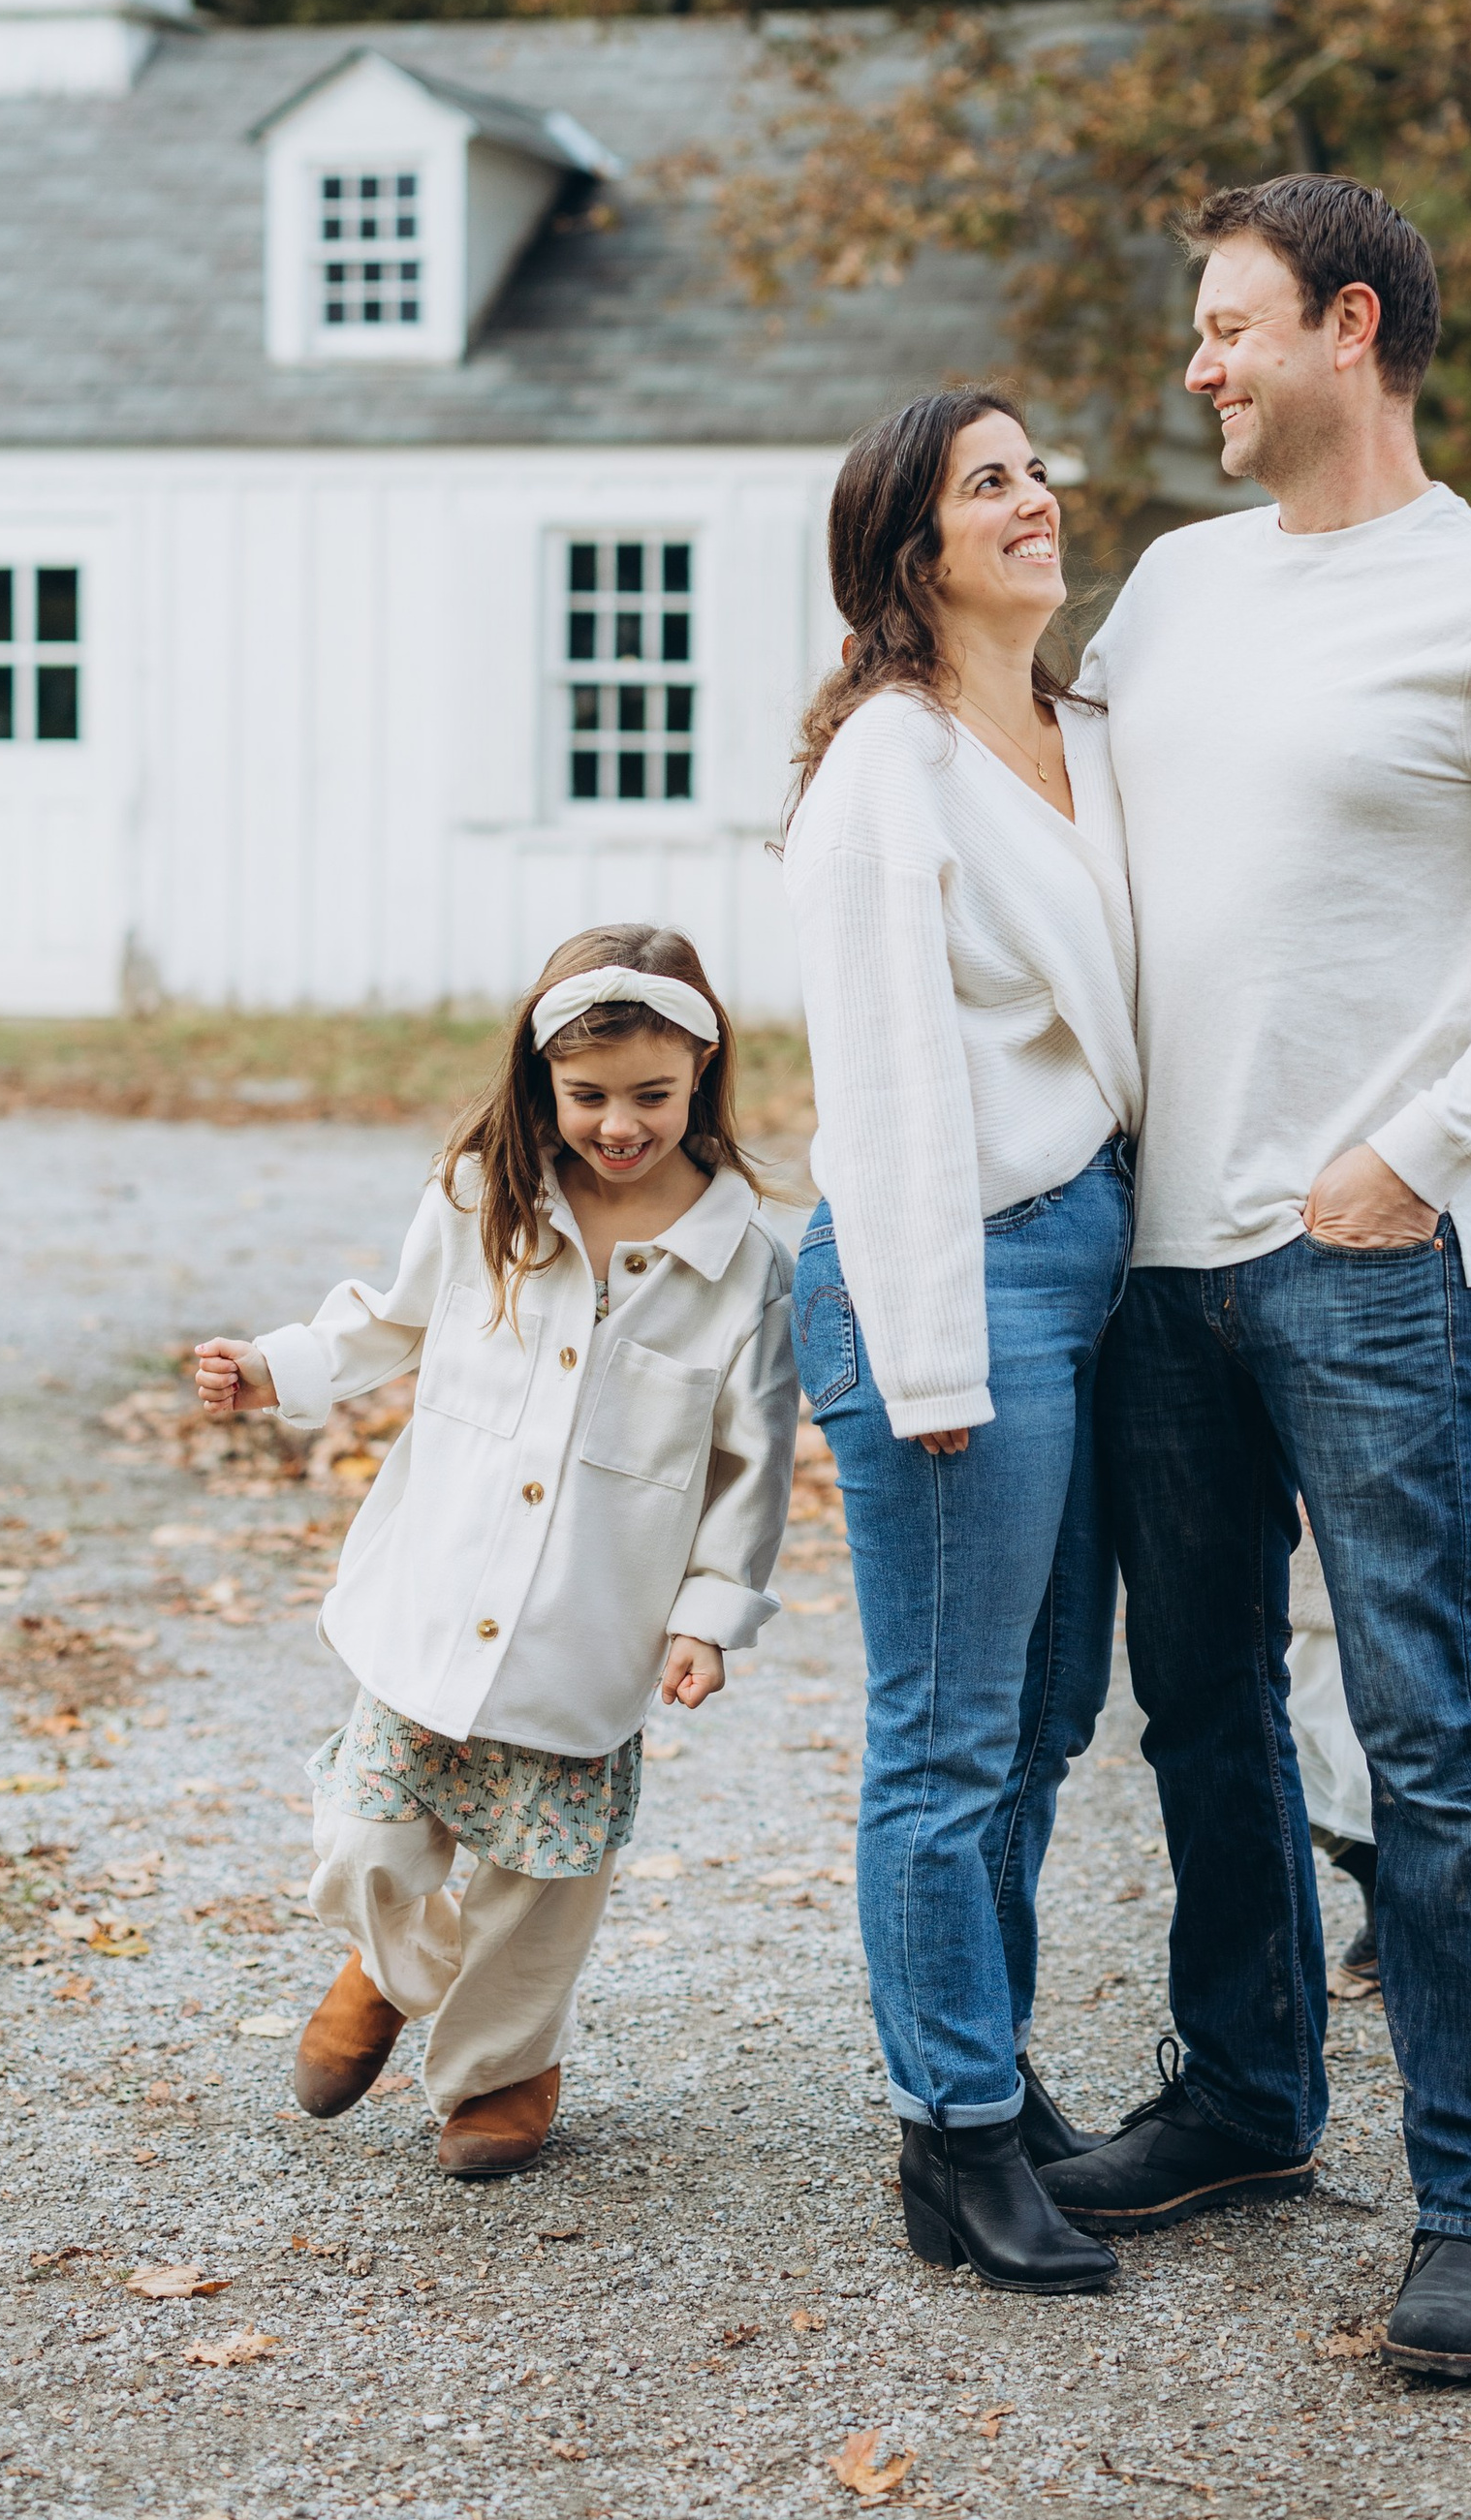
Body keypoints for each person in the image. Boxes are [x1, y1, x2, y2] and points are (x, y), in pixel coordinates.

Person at [1040, 175, 1471, 2383]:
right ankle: (1241, 2101)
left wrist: (1410, 1155)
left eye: (1222, 331)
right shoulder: (1172, 586)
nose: (1192, 370)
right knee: (1198, 1705)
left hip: (1369, 1264)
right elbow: (1057, 841)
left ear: (1344, 325)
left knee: (1431, 1732)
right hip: (1153, 1256)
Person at [193, 923, 798, 2182]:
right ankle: (390, 1965)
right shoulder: (487, 1195)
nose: (618, 1123)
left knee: (540, 1878)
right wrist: (276, 1370)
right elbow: (390, 1319)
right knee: (364, 1841)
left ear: (703, 1074)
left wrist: (708, 1613)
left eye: (651, 1094)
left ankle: (501, 2069)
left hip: (591, 1620)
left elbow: (750, 1457)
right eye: (587, 1095)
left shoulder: (740, 1263)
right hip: (437, 1591)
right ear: (541, 1083)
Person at [783, 388, 1141, 2297]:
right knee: (943, 1741)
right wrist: (929, 1359)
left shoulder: (1077, 735)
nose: (1031, 497)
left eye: (1030, 468)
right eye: (983, 483)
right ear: (910, 557)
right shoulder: (887, 769)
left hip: (1088, 1259)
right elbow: (891, 1082)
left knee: (1045, 1719)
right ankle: (953, 2139)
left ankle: (986, 2060)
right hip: (950, 1273)